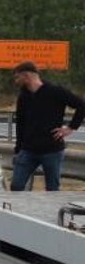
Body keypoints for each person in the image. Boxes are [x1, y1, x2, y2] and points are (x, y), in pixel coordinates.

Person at [10, 60, 85, 192]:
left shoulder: (55, 92)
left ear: (26, 75)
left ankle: (52, 212)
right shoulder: (23, 97)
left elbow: (81, 105)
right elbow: (20, 124)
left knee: (52, 189)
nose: (15, 81)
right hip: (28, 150)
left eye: (17, 77)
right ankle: (17, 210)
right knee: (16, 185)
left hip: (52, 150)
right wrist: (18, 149)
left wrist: (71, 128)